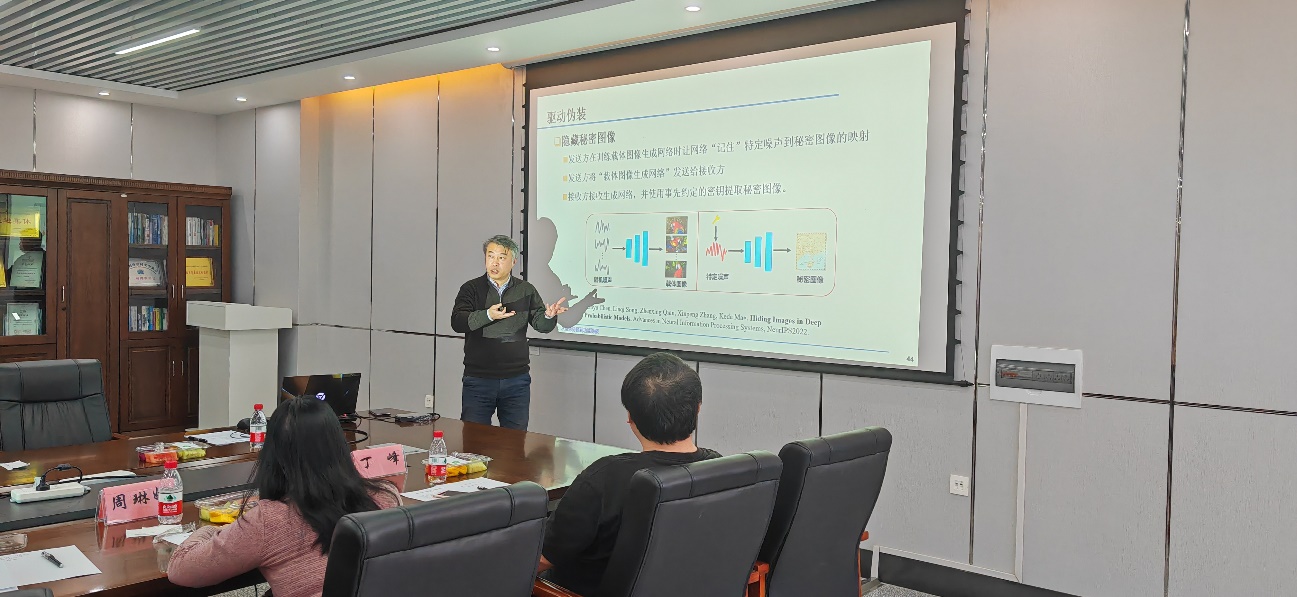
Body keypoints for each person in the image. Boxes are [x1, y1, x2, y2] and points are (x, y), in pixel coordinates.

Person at [167, 397, 400, 597]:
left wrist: (209, 531)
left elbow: (181, 569)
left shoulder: (269, 519)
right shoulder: (386, 496)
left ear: (273, 455)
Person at [538, 352, 721, 594]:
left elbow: (538, 559)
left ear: (630, 417)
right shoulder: (722, 471)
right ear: (698, 408)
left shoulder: (603, 480)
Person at [451, 234, 567, 430]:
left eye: (501, 257)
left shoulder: (526, 289)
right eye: (490, 256)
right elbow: (457, 322)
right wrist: (488, 315)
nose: (494, 263)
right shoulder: (471, 288)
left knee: (515, 439)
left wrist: (548, 316)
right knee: (474, 438)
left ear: (513, 262)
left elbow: (541, 325)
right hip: (479, 379)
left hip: (516, 380)